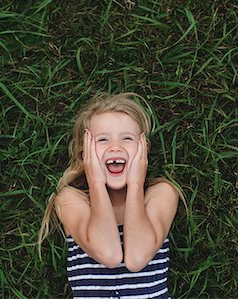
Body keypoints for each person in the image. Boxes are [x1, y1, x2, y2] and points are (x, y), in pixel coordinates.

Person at [39, 92, 184, 298]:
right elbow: (110, 255)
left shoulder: (161, 194)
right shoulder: (71, 199)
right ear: (84, 153)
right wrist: (96, 182)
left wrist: (135, 184)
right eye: (103, 139)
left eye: (127, 138)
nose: (115, 147)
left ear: (144, 149)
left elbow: (137, 259)